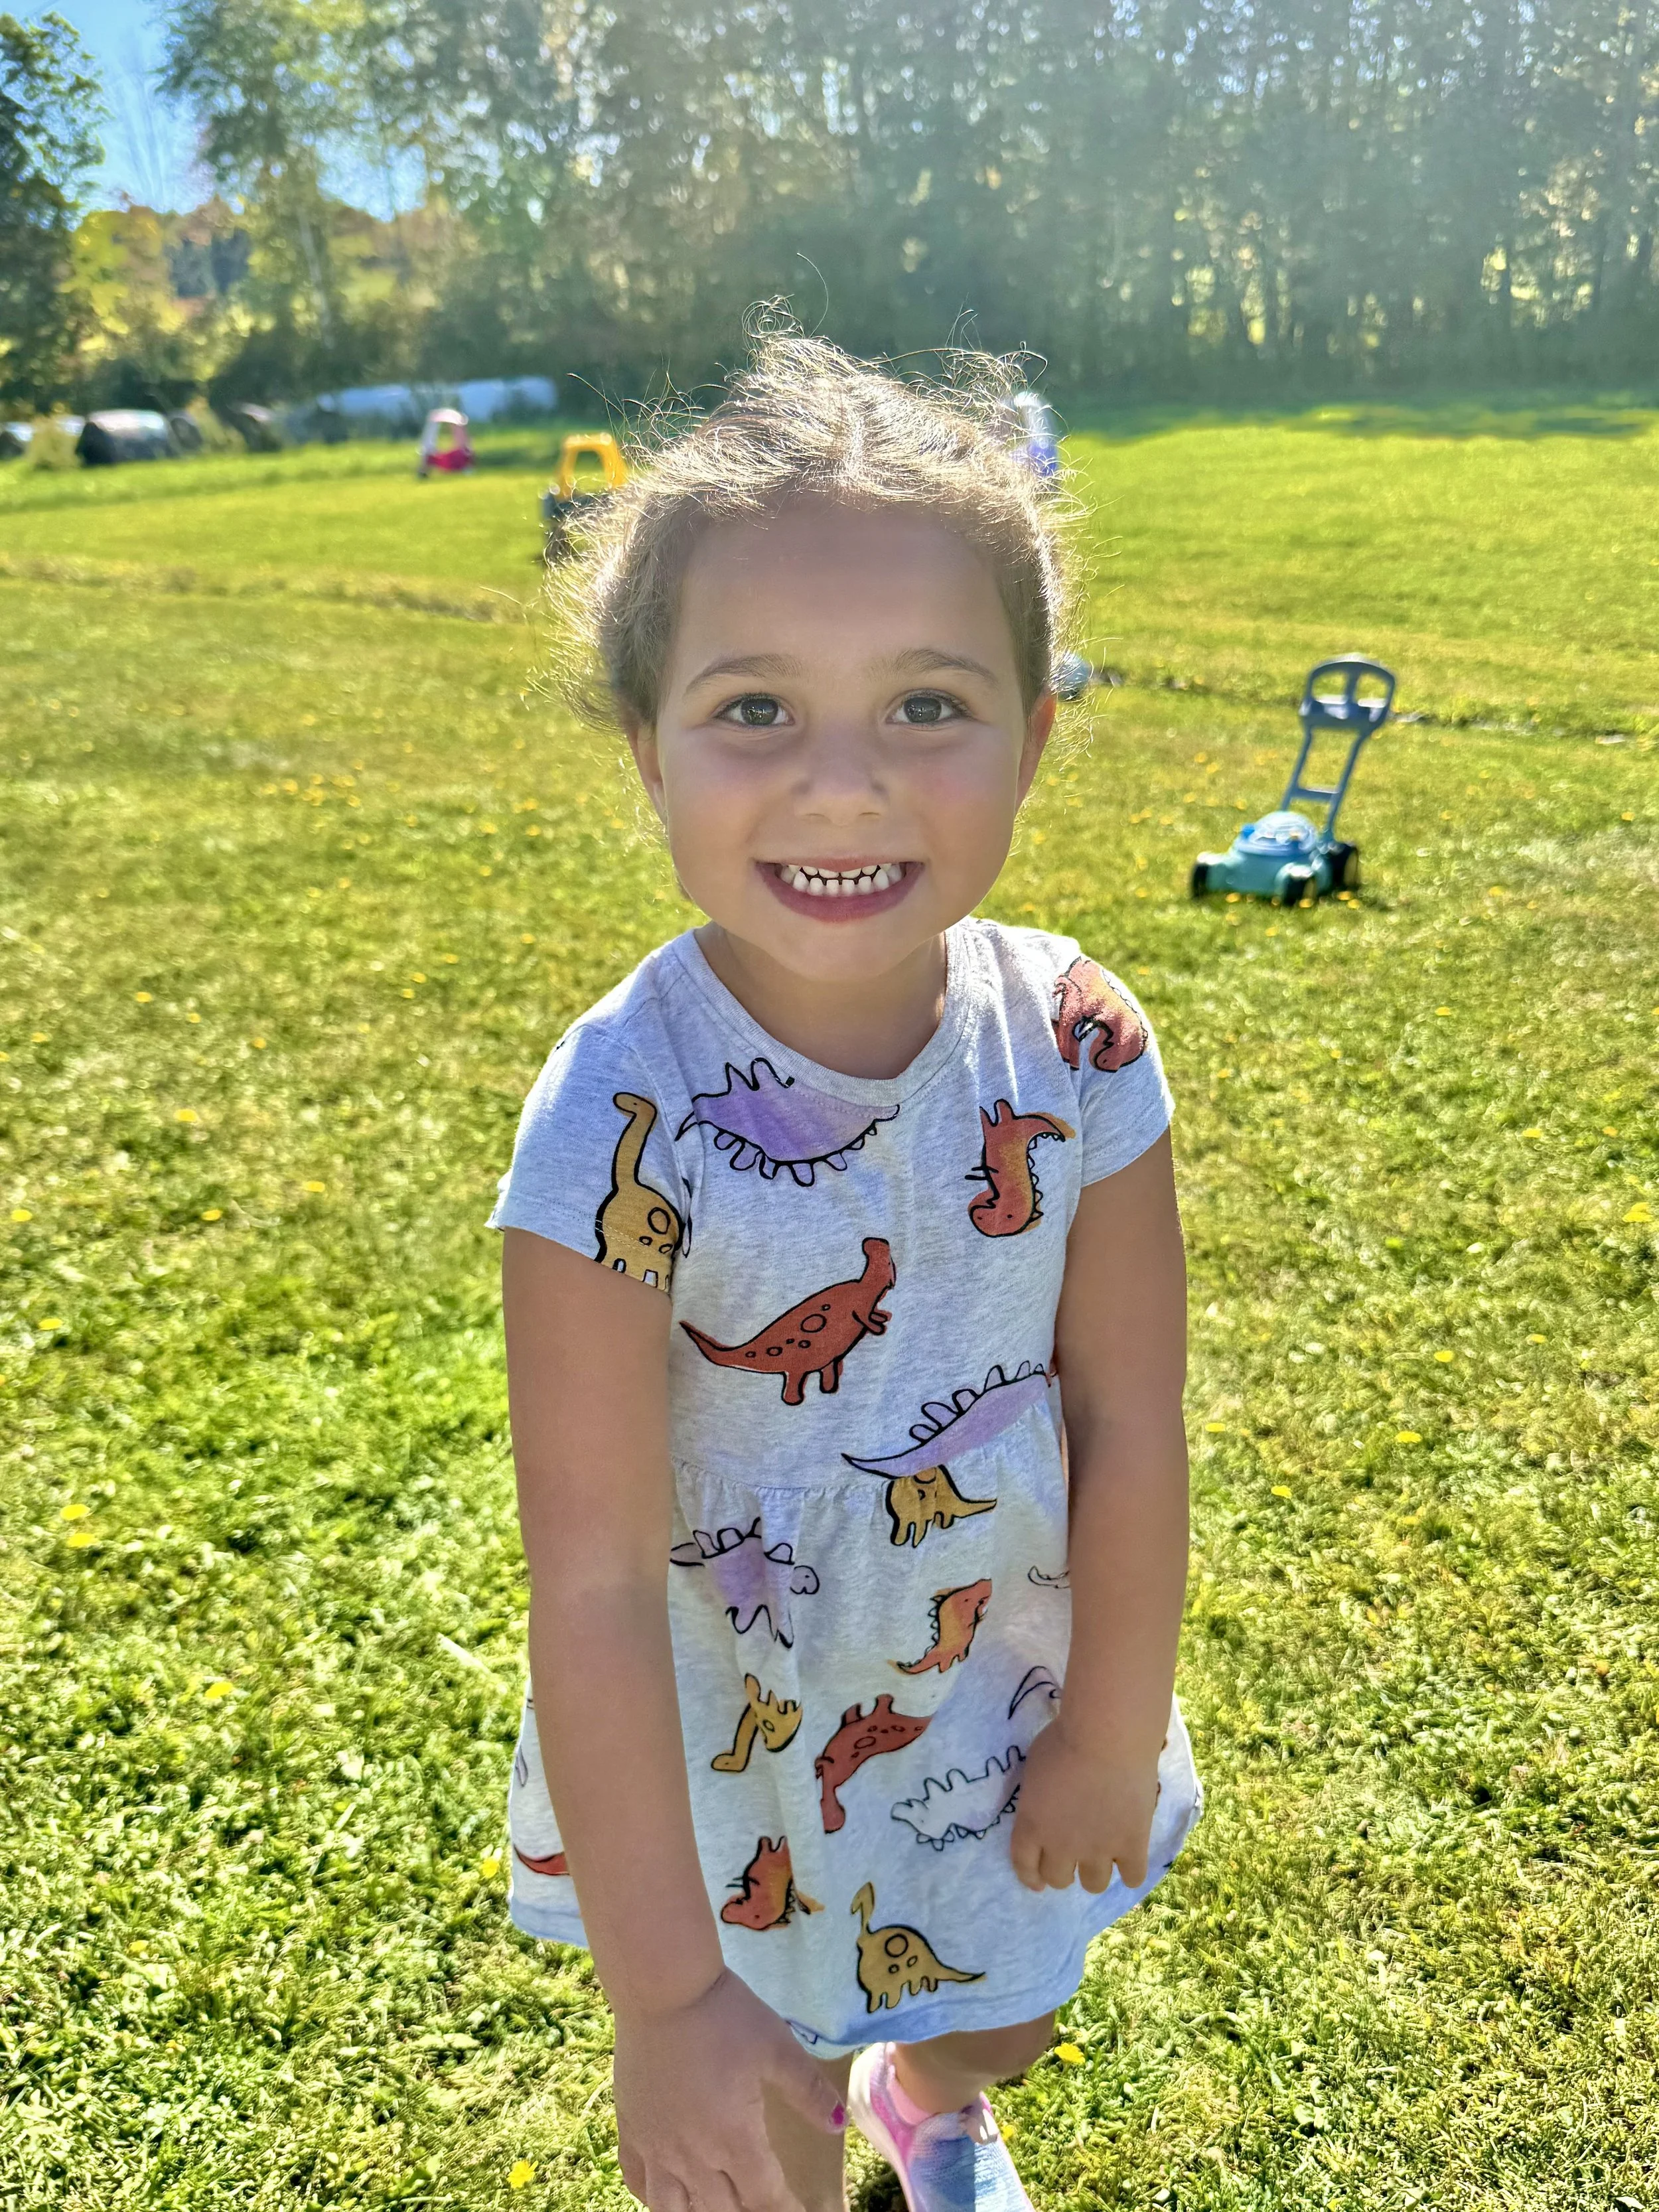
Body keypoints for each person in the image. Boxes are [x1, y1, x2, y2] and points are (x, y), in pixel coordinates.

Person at [492, 332, 1200, 2212]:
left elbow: (1131, 1415)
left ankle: (937, 2102)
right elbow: (588, 1576)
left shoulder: (1079, 1039)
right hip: (741, 1728)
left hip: (1002, 1679)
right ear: (646, 749)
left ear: (1031, 735)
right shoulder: (614, 1114)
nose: (841, 785)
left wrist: (1109, 1728)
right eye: (753, 709)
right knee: (769, 2113)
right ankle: (832, 2095)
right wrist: (667, 1999)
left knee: (1009, 2008)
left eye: (925, 705)